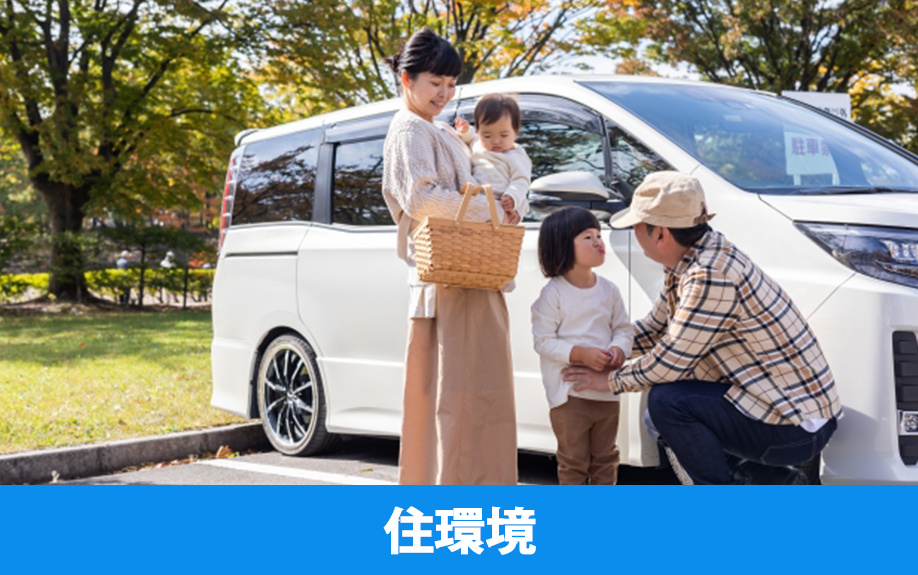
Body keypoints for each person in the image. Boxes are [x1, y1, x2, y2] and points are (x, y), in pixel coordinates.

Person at [563, 171, 842, 484]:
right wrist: (609, 349)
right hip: (789, 412)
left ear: (660, 234)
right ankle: (777, 484)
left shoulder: (710, 274)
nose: (634, 234)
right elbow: (657, 328)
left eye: (637, 226)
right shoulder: (693, 259)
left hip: (795, 425)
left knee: (667, 403)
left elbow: (670, 361)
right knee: (666, 405)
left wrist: (610, 380)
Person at [381, 28, 518, 485]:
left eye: (451, 84)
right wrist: (491, 210)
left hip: (468, 271)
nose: (444, 93)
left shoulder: (435, 128)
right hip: (447, 280)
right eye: (435, 82)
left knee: (475, 398)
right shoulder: (409, 128)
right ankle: (459, 507)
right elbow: (422, 199)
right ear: (407, 79)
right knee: (461, 401)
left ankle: (469, 503)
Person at [531, 207, 632, 484]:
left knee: (606, 458)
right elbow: (543, 341)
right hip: (569, 395)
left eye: (598, 234)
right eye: (588, 237)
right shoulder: (553, 293)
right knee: (573, 461)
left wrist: (618, 350)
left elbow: (623, 329)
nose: (598, 241)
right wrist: (579, 354)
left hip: (607, 392)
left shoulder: (609, 290)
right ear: (562, 245)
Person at [454, 94, 530, 223]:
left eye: (504, 135)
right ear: (478, 131)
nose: (495, 141)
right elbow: (469, 137)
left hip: (500, 201)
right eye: (487, 135)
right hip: (476, 201)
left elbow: (521, 180)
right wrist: (465, 131)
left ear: (515, 132)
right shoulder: (477, 143)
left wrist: (512, 197)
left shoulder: (516, 154)